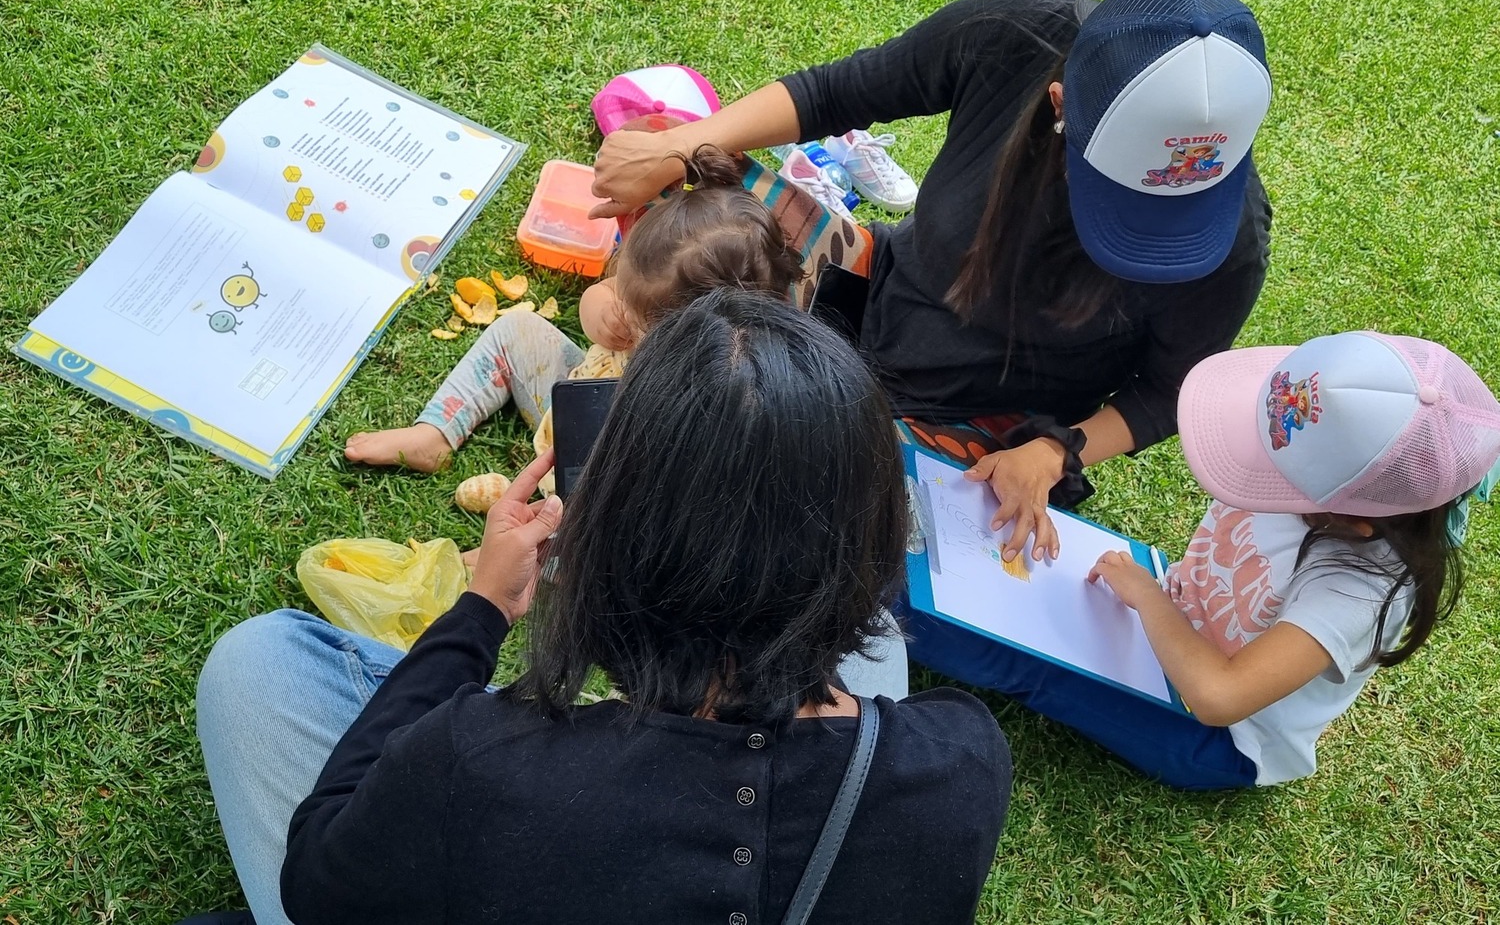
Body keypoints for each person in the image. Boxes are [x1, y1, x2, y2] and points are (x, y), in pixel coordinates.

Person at [189, 291, 1011, 924]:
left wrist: (480, 612)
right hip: (813, 749)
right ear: (870, 535)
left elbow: (319, 881)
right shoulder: (964, 760)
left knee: (259, 661)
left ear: (605, 545)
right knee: (879, 661)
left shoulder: (476, 763)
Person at [591, 0, 1274, 561]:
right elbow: (838, 93)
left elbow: (1168, 392)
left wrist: (1056, 451)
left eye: (1172, 219)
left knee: (809, 489)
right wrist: (683, 143)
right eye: (1116, 201)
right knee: (695, 207)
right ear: (1060, 105)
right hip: (877, 285)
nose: (1135, 235)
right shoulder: (1021, 35)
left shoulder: (1232, 237)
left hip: (990, 429)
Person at [949, 330, 1500, 789]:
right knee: (1039, 586)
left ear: (1354, 522)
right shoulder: (1313, 457)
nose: (1255, 462)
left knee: (1024, 662)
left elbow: (1219, 697)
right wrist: (1155, 597)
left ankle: (907, 617)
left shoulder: (1360, 587)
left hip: (1220, 740)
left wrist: (1145, 597)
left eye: (1272, 470)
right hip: (1170, 618)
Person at [344, 145, 803, 477]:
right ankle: (435, 435)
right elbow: (599, 305)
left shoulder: (721, 398)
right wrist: (599, 306)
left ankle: (546, 560)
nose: (622, 308)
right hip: (573, 399)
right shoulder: (655, 296)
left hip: (613, 472)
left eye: (636, 313)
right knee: (518, 328)